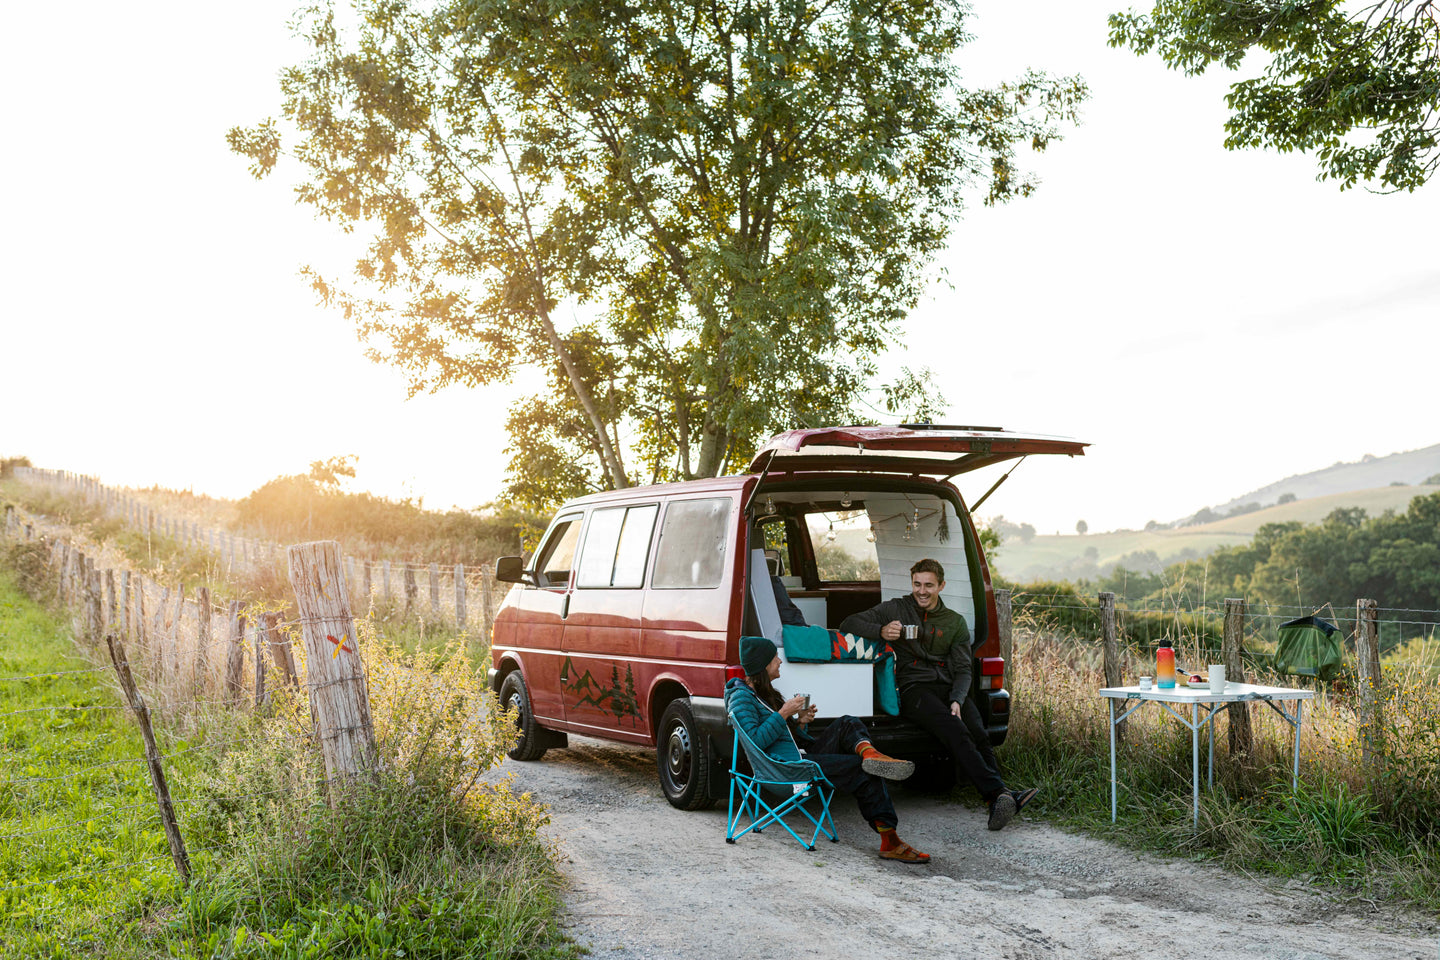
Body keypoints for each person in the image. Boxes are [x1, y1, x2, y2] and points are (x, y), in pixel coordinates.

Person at [839, 558, 1038, 831]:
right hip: (913, 688)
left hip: (947, 687)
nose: (922, 591)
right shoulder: (896, 608)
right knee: (955, 729)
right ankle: (997, 794)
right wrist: (881, 631)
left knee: (978, 730)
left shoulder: (954, 622)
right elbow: (849, 622)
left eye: (928, 585)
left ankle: (999, 797)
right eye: (917, 584)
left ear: (941, 586)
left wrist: (957, 698)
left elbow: (964, 669)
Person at [725, 635, 932, 863]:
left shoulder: (764, 694)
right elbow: (756, 742)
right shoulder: (741, 699)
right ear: (763, 665)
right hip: (787, 771)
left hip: (798, 756)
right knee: (863, 770)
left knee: (846, 722)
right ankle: (890, 841)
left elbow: (786, 738)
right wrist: (784, 713)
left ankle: (870, 753)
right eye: (775, 658)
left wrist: (800, 721)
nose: (779, 662)